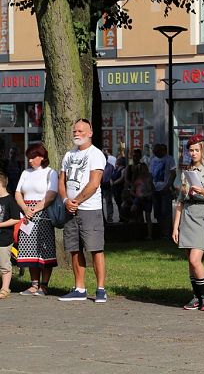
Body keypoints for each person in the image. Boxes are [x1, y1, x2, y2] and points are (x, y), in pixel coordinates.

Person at [57, 118, 108, 303]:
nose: (77, 134)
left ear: (90, 132)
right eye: (74, 131)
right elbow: (61, 180)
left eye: (80, 131)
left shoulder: (95, 154)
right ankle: (79, 288)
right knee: (74, 249)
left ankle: (101, 289)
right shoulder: (68, 155)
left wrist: (76, 201)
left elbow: (94, 183)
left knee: (95, 249)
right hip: (71, 208)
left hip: (89, 209)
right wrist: (65, 200)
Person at [172, 135, 204, 311]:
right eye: (190, 150)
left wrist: (203, 192)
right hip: (187, 215)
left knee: (195, 259)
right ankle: (196, 296)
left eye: (196, 150)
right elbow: (180, 201)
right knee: (190, 261)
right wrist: (175, 226)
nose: (193, 153)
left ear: (202, 151)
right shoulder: (186, 172)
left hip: (203, 214)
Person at [15, 144, 58, 296]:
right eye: (29, 158)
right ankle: (34, 284)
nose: (31, 161)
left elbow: (51, 194)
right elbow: (18, 192)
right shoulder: (26, 173)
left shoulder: (50, 172)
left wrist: (35, 209)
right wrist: (25, 209)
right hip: (26, 214)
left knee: (44, 249)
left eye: (33, 157)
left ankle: (44, 285)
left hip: (43, 214)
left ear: (42, 157)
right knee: (29, 249)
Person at [0, 172, 21, 299]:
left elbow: (16, 219)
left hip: (4, 238)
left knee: (4, 264)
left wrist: (1, 224)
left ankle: (5, 288)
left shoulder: (10, 200)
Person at [149, 144, 176, 239]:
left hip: (165, 189)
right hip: (155, 189)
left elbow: (173, 173)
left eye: (157, 151)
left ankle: (167, 233)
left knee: (165, 211)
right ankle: (161, 231)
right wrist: (151, 185)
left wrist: (168, 185)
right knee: (157, 212)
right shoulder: (153, 160)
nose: (155, 153)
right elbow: (151, 174)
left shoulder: (169, 159)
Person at [130, 163, 154, 239]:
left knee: (148, 217)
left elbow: (152, 187)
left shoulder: (150, 177)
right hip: (139, 198)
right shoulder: (137, 177)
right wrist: (135, 195)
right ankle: (138, 232)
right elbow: (132, 189)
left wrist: (150, 194)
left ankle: (149, 235)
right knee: (134, 210)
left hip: (147, 197)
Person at [111, 156, 127, 221]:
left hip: (120, 188)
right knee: (118, 203)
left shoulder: (123, 169)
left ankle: (123, 217)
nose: (116, 160)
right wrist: (111, 181)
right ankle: (121, 216)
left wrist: (114, 182)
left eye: (118, 159)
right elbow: (111, 176)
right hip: (115, 188)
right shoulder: (116, 168)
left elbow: (122, 178)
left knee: (121, 203)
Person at [101, 150, 114, 223]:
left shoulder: (110, 166)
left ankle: (110, 217)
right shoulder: (99, 165)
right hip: (100, 185)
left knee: (109, 202)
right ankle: (102, 216)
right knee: (100, 202)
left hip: (107, 185)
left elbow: (112, 176)